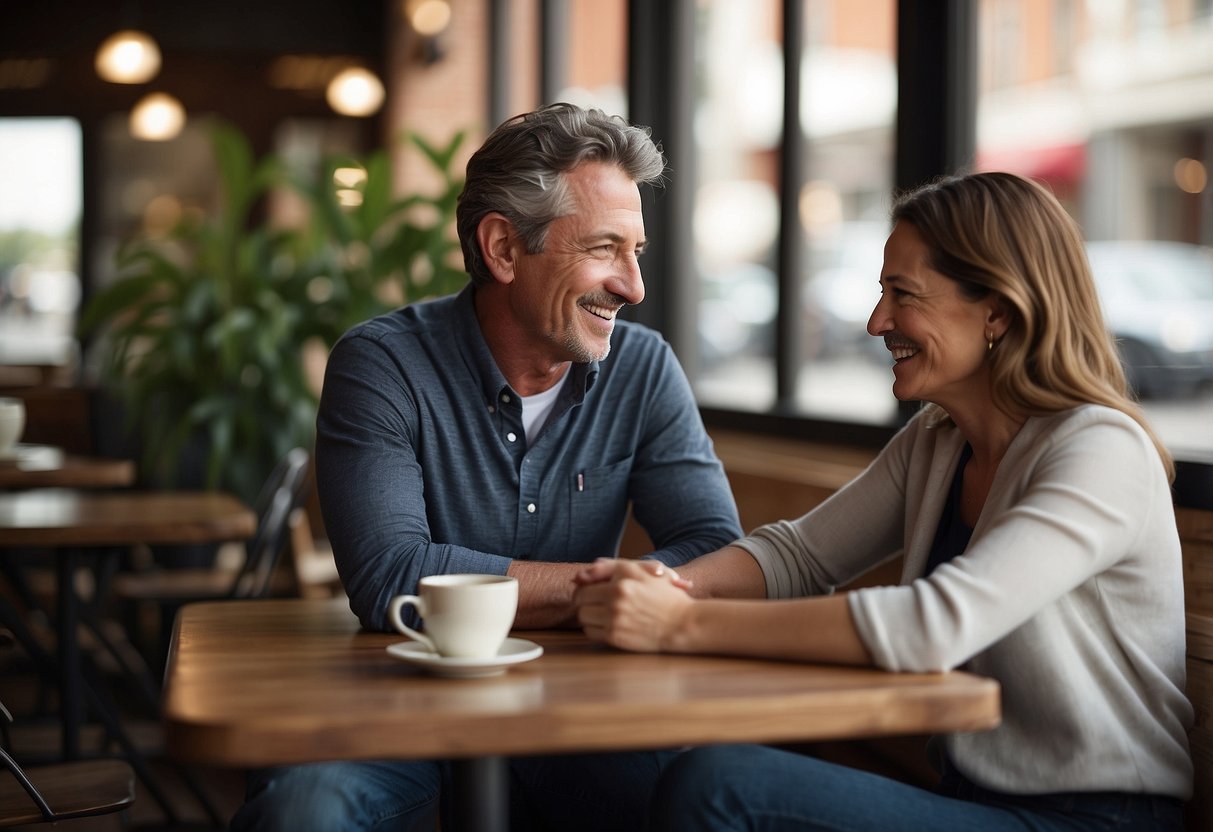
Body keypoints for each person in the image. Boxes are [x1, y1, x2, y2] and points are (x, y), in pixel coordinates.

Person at [574, 171, 1194, 831]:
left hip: (1098, 818)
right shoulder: (936, 439)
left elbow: (930, 626)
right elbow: (798, 557)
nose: (876, 322)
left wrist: (676, 624)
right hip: (972, 800)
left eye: (903, 295)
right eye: (880, 292)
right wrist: (662, 587)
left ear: (998, 312)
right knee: (633, 767)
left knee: (720, 786)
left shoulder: (1100, 451)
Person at [230, 103, 741, 832]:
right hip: (394, 703)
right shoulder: (382, 364)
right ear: (503, 247)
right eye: (604, 249)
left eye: (638, 252)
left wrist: (599, 597)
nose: (633, 287)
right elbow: (388, 575)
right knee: (301, 817)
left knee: (716, 799)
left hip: (580, 705)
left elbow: (716, 550)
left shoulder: (644, 368)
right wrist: (602, 591)